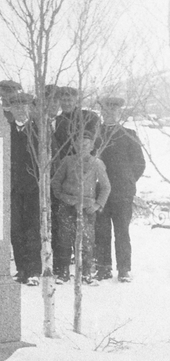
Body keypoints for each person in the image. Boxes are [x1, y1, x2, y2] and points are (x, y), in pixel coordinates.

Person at [93, 97, 145, 282]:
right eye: (106, 111)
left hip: (122, 193)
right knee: (101, 230)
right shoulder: (94, 135)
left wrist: (128, 181)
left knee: (122, 231)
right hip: (99, 193)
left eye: (113, 111)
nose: (109, 114)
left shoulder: (128, 134)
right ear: (102, 113)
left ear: (119, 113)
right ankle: (103, 267)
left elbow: (139, 164)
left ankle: (124, 269)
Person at [51, 130, 110, 284]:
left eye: (86, 144)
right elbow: (55, 183)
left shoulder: (96, 163)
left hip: (87, 208)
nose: (82, 147)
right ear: (75, 145)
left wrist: (97, 204)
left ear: (91, 147)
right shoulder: (67, 161)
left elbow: (106, 187)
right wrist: (64, 198)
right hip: (67, 206)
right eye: (79, 144)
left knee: (87, 241)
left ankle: (86, 274)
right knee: (64, 238)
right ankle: (63, 272)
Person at [8, 93, 41, 285]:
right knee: (15, 230)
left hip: (33, 190)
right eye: (16, 106)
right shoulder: (6, 131)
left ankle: (34, 270)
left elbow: (49, 161)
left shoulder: (39, 131)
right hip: (13, 190)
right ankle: (21, 269)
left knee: (32, 230)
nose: (20, 110)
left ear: (29, 108)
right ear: (11, 109)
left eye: (24, 106)